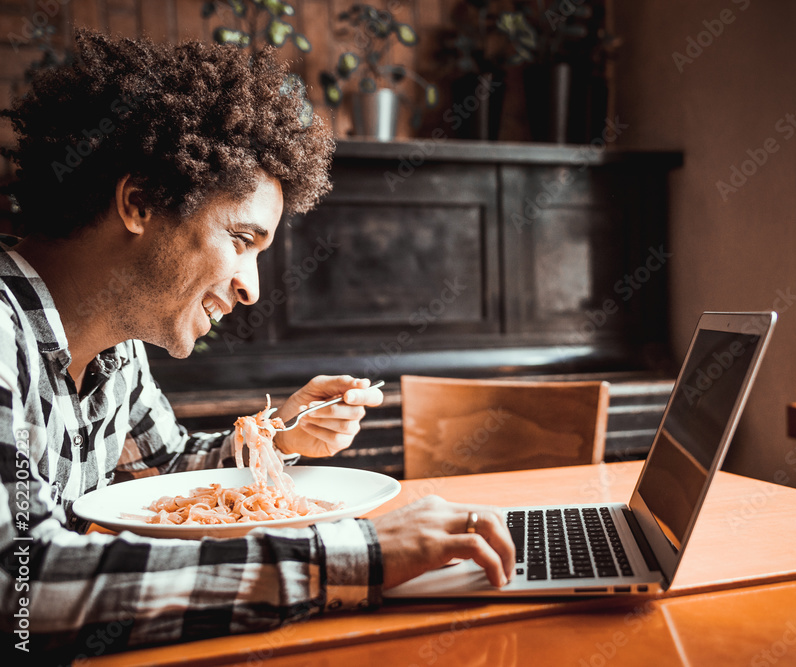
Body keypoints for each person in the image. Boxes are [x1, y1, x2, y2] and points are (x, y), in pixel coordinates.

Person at [0, 30, 513, 657]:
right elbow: (18, 588)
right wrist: (359, 555)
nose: (251, 290)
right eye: (242, 240)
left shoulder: (117, 349)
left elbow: (162, 474)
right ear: (139, 203)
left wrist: (278, 434)